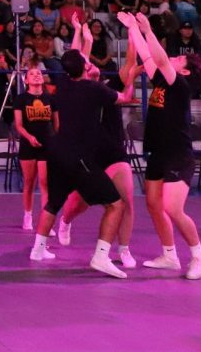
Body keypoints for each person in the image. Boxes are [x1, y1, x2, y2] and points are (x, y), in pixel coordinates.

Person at [28, 48, 133, 279]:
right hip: (80, 157)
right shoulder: (94, 89)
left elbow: (73, 59)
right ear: (85, 66)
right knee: (116, 205)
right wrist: (132, 80)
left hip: (57, 153)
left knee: (53, 204)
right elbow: (124, 98)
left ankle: (38, 249)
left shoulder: (62, 86)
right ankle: (101, 256)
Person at [125, 12, 201, 280]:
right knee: (153, 204)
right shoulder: (163, 80)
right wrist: (133, 29)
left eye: (178, 59)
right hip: (158, 152)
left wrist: (149, 31)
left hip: (177, 154)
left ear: (185, 70)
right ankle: (170, 255)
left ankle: (199, 255)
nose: (172, 58)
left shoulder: (180, 84)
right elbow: (147, 56)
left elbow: (160, 58)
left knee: (173, 208)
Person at [54, 19, 138, 270]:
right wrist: (81, 34)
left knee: (126, 200)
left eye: (93, 66)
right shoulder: (77, 88)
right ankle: (66, 220)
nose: (92, 67)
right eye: (87, 65)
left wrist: (132, 34)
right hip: (89, 155)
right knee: (79, 203)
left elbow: (129, 64)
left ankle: (123, 249)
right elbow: (76, 57)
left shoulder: (108, 88)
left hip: (113, 151)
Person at [13, 65, 55, 232]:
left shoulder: (50, 98)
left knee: (45, 183)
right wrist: (29, 137)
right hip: (28, 144)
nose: (36, 75)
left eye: (39, 73)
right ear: (26, 80)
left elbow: (56, 124)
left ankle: (46, 221)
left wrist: (56, 141)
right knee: (30, 182)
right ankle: (28, 215)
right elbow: (19, 125)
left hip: (47, 144)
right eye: (32, 74)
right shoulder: (21, 99)